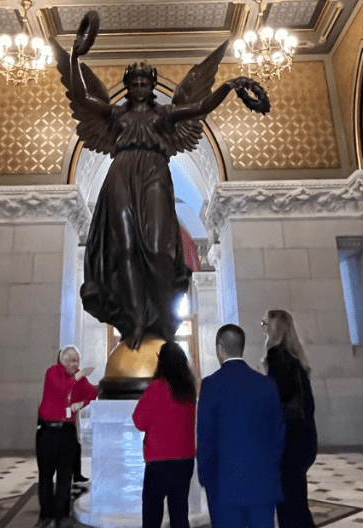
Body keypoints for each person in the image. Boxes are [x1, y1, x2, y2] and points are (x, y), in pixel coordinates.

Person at [51, 16, 268, 351]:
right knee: (123, 247)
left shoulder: (164, 116)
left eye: (144, 80)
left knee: (156, 248)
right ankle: (136, 320)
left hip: (153, 175)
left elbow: (198, 106)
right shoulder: (115, 115)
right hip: (121, 175)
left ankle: (161, 317)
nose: (139, 85)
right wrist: (76, 57)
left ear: (152, 85)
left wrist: (230, 85)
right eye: (133, 80)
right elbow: (81, 98)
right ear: (129, 84)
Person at [197, 324, 286, 528]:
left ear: (219, 348)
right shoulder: (266, 384)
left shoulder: (211, 385)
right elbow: (279, 434)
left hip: (224, 485)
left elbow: (206, 438)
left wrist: (206, 478)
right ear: (242, 348)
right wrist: (269, 466)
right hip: (263, 480)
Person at [261, 310, 318, 528]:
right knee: (298, 503)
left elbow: (275, 400)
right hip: (304, 440)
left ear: (274, 331)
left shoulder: (277, 356)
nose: (263, 330)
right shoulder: (296, 361)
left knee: (289, 509)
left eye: (264, 324)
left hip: (288, 443)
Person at [132, 342, 198, 528]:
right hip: (184, 461)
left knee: (152, 520)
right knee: (179, 517)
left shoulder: (156, 388)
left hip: (159, 462)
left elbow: (139, 421)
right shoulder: (189, 391)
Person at [36, 346, 97, 528]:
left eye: (77, 360)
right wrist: (78, 377)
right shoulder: (52, 372)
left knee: (65, 476)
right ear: (62, 360)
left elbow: (92, 392)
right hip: (48, 431)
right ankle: (46, 517)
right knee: (46, 476)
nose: (76, 364)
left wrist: (82, 402)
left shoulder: (79, 377)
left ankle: (62, 517)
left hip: (67, 432)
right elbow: (62, 389)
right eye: (71, 360)